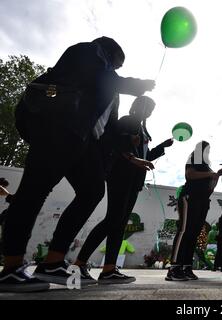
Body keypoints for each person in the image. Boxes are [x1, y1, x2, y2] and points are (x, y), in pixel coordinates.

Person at [0, 37, 155, 293]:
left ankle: (53, 262)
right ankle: (12, 267)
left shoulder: (110, 88)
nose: (117, 69)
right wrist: (137, 85)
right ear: (108, 52)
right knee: (35, 188)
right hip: (58, 125)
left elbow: (107, 128)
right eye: (117, 63)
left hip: (83, 141)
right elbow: (102, 78)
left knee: (92, 191)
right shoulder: (86, 52)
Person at [74, 96, 173, 284]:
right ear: (139, 106)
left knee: (119, 223)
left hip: (134, 181)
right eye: (149, 108)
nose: (150, 112)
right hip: (121, 176)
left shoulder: (143, 128)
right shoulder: (127, 121)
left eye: (153, 109)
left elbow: (145, 155)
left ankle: (109, 269)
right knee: (112, 219)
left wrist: (162, 146)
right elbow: (115, 143)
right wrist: (129, 142)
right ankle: (79, 264)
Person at [166, 141, 222, 281]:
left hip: (203, 201)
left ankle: (186, 267)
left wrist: (216, 176)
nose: (208, 152)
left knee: (194, 234)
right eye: (206, 149)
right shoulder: (193, 158)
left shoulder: (207, 166)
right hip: (189, 198)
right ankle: (174, 268)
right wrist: (209, 174)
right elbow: (190, 175)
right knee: (184, 231)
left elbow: (210, 187)